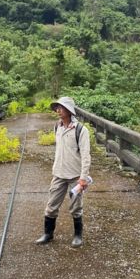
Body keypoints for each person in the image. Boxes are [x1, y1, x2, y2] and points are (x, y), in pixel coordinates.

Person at [35, 96, 91, 248]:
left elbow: (86, 156)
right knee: (51, 205)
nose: (58, 110)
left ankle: (78, 235)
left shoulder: (81, 130)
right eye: (57, 108)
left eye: (61, 107)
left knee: (76, 207)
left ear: (69, 110)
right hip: (58, 174)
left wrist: (83, 178)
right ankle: (48, 234)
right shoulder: (57, 126)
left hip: (75, 176)